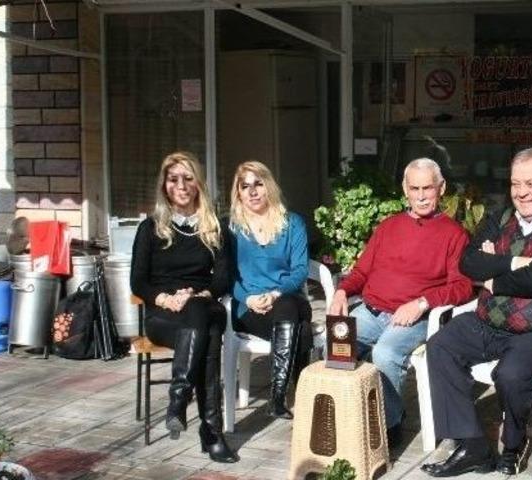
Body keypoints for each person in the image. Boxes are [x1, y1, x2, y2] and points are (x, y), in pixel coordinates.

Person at [421, 146, 532, 477]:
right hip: (488, 320)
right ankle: (472, 446)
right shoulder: (500, 217)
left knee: (510, 376)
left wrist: (494, 280)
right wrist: (515, 263)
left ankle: (514, 444)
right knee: (440, 346)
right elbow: (468, 262)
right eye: (516, 184)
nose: (521, 193)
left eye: (531, 184)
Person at [328, 157, 472, 447]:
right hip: (371, 310)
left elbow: (463, 287)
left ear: (441, 188)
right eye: (415, 188)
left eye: (428, 188)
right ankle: (348, 419)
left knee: (385, 352)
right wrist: (342, 292)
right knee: (333, 349)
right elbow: (361, 271)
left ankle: (389, 424)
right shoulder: (388, 227)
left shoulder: (454, 234)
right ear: (405, 189)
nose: (421, 196)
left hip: (416, 318)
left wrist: (421, 303)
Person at [130, 151, 239, 463]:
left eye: (188, 178)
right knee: (207, 339)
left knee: (199, 313)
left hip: (201, 303)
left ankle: (179, 400)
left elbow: (222, 280)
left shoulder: (215, 228)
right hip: (163, 315)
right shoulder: (150, 228)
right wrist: (165, 299)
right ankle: (212, 433)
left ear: (198, 184)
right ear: (165, 185)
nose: (181, 185)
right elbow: (138, 283)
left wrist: (196, 294)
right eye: (174, 178)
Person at [228, 160, 311, 419]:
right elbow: (226, 276)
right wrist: (249, 298)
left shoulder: (292, 223)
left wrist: (276, 293)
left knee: (287, 305)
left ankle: (277, 396)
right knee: (303, 330)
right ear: (238, 192)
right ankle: (302, 397)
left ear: (269, 187)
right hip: (248, 308)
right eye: (245, 186)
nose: (252, 191)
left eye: (258, 184)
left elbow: (299, 270)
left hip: (286, 299)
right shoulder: (230, 228)